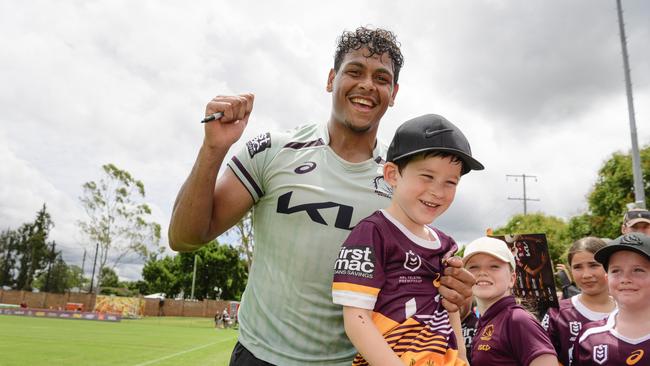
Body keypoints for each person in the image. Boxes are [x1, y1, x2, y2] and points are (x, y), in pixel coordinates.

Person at [168, 26, 476, 366]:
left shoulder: (404, 177)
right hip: (260, 356)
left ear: (394, 92)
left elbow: (426, 280)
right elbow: (185, 238)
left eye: (381, 78)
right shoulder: (274, 151)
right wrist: (213, 149)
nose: (367, 85)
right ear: (331, 79)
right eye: (354, 72)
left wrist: (457, 295)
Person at [332, 114, 483, 365]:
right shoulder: (373, 233)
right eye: (427, 176)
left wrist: (463, 358)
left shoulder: (445, 245)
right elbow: (356, 319)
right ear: (392, 174)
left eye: (450, 182)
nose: (437, 191)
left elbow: (450, 307)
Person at [463, 237, 558, 366]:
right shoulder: (488, 320)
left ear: (512, 279)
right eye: (473, 267)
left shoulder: (517, 320)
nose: (482, 272)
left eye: (494, 266)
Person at [571, 233, 650, 365]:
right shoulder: (589, 337)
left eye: (638, 270)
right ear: (607, 278)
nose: (625, 279)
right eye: (616, 271)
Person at [541, 237, 616, 366]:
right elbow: (543, 356)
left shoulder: (629, 310)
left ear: (608, 266)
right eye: (577, 267)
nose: (586, 275)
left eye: (593, 265)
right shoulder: (557, 313)